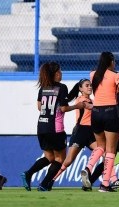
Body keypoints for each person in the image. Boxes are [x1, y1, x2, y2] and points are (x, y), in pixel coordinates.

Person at [21, 62, 85, 191]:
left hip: (42, 127)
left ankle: (28, 173)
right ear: (56, 73)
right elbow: (63, 108)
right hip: (55, 128)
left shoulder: (43, 88)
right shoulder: (61, 87)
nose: (61, 74)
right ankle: (44, 184)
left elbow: (40, 107)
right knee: (59, 158)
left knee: (49, 157)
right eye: (60, 72)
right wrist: (77, 106)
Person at [81, 52, 119, 192]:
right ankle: (105, 184)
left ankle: (88, 168)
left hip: (96, 113)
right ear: (111, 61)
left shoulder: (93, 74)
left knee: (100, 146)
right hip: (110, 112)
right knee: (111, 150)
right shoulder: (115, 75)